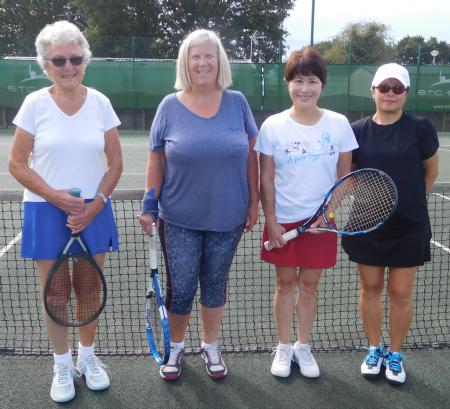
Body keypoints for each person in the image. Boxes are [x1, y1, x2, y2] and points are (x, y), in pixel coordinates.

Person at [8, 21, 123, 402]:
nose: (68, 66)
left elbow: (115, 164)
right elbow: (17, 164)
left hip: (94, 210)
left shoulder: (101, 103)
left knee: (89, 288)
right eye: (59, 60)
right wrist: (57, 198)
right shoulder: (34, 104)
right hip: (45, 209)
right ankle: (61, 364)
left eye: (75, 58)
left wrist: (95, 205)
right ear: (46, 65)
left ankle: (87, 358)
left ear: (85, 60)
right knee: (55, 293)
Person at [139, 29, 259, 380]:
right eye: (196, 56)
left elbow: (251, 156)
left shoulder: (237, 103)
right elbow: (156, 158)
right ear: (185, 62)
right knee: (182, 288)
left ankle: (210, 345)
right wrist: (149, 203)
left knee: (215, 285)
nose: (203, 62)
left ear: (219, 61)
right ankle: (175, 346)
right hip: (179, 218)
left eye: (209, 55)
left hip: (228, 217)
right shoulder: (169, 106)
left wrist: (253, 202)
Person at [254, 47, 358, 379]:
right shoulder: (272, 126)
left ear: (322, 85)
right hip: (283, 220)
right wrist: (271, 220)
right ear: (289, 84)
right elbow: (266, 177)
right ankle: (284, 347)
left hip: (321, 224)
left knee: (309, 287)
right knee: (285, 284)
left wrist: (327, 214)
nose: (304, 88)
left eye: (312, 81)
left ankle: (303, 345)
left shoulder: (338, 124)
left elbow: (345, 177)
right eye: (298, 81)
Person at [341, 63, 439, 385]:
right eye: (384, 87)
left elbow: (430, 173)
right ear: (373, 91)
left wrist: (408, 201)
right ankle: (374, 349)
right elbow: (350, 176)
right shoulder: (357, 130)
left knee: (401, 292)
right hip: (367, 225)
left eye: (397, 88)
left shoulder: (421, 128)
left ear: (406, 93)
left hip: (409, 225)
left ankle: (395, 354)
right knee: (370, 288)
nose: (390, 93)